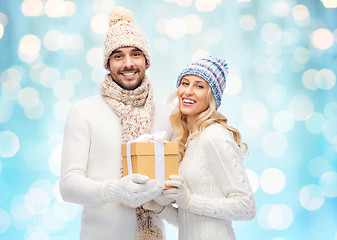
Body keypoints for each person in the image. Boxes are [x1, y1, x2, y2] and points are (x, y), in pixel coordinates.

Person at [59, 6, 172, 240]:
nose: (128, 63)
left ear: (146, 61)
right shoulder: (84, 112)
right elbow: (68, 186)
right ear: (107, 64)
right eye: (118, 56)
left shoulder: (167, 116)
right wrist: (116, 191)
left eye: (136, 54)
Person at [144, 56, 256, 239]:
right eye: (184, 83)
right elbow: (191, 220)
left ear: (212, 96)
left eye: (199, 86)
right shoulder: (190, 140)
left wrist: (188, 199)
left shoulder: (215, 136)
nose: (188, 91)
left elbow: (246, 207)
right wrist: (159, 207)